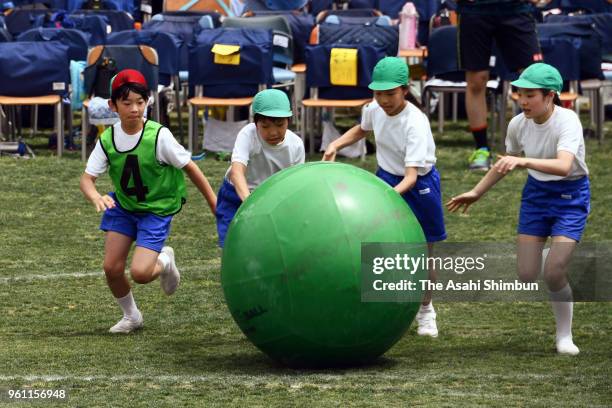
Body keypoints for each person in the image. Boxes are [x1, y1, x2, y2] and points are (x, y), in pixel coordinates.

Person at [447, 63, 589, 355]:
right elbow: (504, 163)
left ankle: (564, 336)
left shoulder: (568, 121)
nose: (522, 101)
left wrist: (523, 162)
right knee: (526, 273)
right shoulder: (518, 124)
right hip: (536, 194)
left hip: (570, 195)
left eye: (530, 95)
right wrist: (476, 192)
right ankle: (553, 256)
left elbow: (563, 166)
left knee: (553, 273)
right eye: (519, 94)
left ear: (550, 96)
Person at [80, 69, 217, 334]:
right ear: (113, 105)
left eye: (140, 102)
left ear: (148, 102)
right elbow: (87, 179)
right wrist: (96, 196)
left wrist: (213, 202)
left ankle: (165, 260)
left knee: (141, 274)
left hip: (156, 210)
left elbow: (190, 167)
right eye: (127, 102)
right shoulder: (107, 139)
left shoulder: (159, 136)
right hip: (123, 207)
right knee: (111, 267)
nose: (134, 108)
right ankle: (132, 316)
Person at [323, 57, 447, 338]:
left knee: (423, 256)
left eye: (390, 93)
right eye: (378, 93)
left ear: (405, 89)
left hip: (420, 185)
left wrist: (379, 196)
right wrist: (336, 143)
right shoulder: (374, 108)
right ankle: (381, 308)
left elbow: (412, 178)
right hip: (388, 178)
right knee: (378, 249)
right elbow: (363, 128)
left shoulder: (415, 122)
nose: (383, 100)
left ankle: (426, 311)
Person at [457, 0, 543, 170]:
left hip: (516, 8)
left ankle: (546, 146)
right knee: (476, 81)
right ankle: (481, 149)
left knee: (535, 76)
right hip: (475, 10)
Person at [215, 89, 305, 247]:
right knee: (232, 243)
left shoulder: (296, 144)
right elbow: (237, 172)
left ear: (289, 121)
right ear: (255, 124)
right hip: (236, 195)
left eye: (280, 124)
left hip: (272, 196)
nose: (273, 132)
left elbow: (296, 184)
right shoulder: (248, 134)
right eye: (265, 126)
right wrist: (250, 203)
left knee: (270, 243)